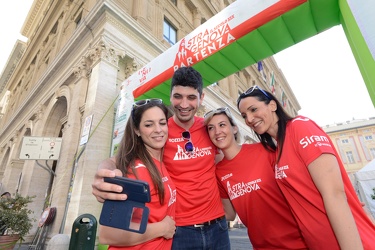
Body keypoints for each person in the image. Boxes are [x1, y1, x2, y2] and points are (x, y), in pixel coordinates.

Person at [93, 66, 230, 249]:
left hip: (217, 226)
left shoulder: (208, 127)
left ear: (201, 98)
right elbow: (118, 158)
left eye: (191, 97)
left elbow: (225, 161)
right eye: (178, 96)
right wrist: (105, 175)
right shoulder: (161, 131)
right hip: (179, 230)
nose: (183, 104)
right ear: (171, 95)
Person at [237, 85, 375, 249]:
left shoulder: (300, 127)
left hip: (350, 243)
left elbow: (334, 193)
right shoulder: (278, 148)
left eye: (254, 109)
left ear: (272, 105)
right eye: (244, 115)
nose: (250, 119)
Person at [204, 107, 308, 249]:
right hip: (261, 246)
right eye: (211, 128)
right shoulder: (219, 172)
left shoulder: (264, 150)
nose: (217, 132)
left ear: (234, 128)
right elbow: (229, 214)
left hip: (299, 242)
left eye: (222, 125)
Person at [98, 99, 177, 249]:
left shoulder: (158, 162)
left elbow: (137, 219)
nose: (158, 129)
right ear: (137, 130)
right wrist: (162, 228)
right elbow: (109, 234)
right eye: (149, 125)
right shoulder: (136, 171)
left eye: (162, 122)